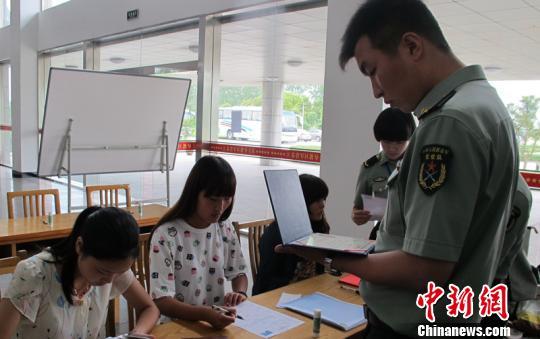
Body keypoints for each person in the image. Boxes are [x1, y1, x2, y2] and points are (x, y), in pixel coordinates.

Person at [277, 0, 518, 337]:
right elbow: (518, 205)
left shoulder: (448, 123)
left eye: (372, 69)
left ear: (411, 46)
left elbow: (424, 269)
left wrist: (327, 256)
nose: (376, 89)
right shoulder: (485, 106)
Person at [0, 206, 159, 339]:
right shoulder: (34, 274)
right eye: (102, 271)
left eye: (119, 272)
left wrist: (137, 333)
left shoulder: (113, 269)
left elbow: (149, 308)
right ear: (80, 246)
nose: (110, 280)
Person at [149, 155, 248, 330]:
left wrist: (239, 294)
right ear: (194, 193)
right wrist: (204, 314)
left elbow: (239, 273)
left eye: (227, 198)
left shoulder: (224, 227)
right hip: (176, 328)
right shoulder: (167, 234)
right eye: (213, 199)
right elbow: (162, 301)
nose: (220, 207)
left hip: (215, 325)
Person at [252, 174, 330, 295]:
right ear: (302, 200)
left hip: (310, 291)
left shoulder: (318, 227)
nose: (323, 204)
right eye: (317, 200)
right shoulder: (275, 235)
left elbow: (321, 270)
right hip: (281, 297)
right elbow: (268, 282)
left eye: (324, 199)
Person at [352, 107, 415, 239]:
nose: (392, 148)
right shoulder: (370, 168)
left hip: (414, 234)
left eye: (400, 142)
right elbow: (357, 210)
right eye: (386, 142)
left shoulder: (419, 164)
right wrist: (357, 216)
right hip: (384, 236)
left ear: (410, 138)